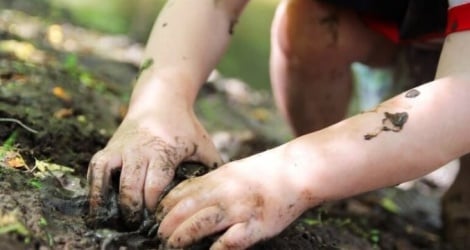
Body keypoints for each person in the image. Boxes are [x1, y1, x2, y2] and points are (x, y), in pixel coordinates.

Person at [88, 0, 470, 249]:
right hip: (402, 31)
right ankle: (346, 187)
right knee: (311, 20)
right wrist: (160, 103)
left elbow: (461, 97)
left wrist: (287, 173)